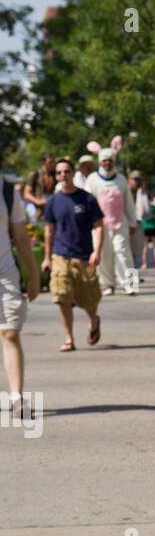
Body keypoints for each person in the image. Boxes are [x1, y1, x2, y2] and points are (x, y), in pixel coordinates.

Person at [43, 157, 104, 351]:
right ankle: (69, 338)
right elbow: (49, 230)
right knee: (62, 297)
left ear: (72, 173)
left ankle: (94, 320)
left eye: (66, 172)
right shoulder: (53, 201)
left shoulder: (86, 199)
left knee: (89, 300)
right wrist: (46, 257)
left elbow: (99, 226)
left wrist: (97, 251)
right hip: (60, 255)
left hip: (84, 256)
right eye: (59, 173)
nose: (63, 176)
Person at [1, 171, 40, 408]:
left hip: (4, 270)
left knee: (10, 332)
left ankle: (16, 397)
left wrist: (33, 276)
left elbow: (21, 236)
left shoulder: (7, 191)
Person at [86, 147, 138, 296]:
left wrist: (132, 221)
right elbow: (88, 202)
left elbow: (129, 203)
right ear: (100, 162)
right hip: (100, 225)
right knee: (104, 254)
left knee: (123, 252)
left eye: (110, 161)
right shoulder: (92, 179)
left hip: (120, 223)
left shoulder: (121, 179)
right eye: (104, 161)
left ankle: (130, 284)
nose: (107, 163)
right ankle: (107, 284)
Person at [128, 171, 150, 277]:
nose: (137, 182)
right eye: (135, 179)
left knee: (135, 252)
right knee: (126, 252)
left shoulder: (142, 193)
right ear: (129, 180)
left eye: (138, 179)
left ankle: (133, 276)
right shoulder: (125, 191)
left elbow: (146, 211)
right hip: (125, 225)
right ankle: (130, 278)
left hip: (138, 224)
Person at [22, 155, 56, 221]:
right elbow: (26, 193)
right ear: (44, 162)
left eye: (53, 162)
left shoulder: (54, 174)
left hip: (51, 208)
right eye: (50, 162)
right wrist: (37, 201)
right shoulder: (35, 174)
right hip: (37, 209)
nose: (52, 164)